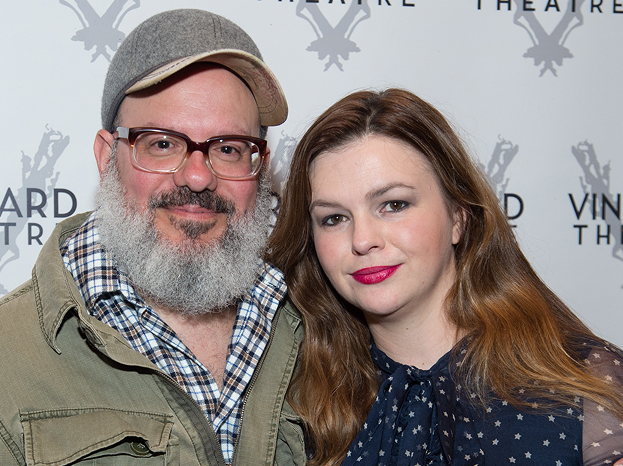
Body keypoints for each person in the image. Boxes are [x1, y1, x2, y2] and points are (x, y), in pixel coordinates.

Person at [0, 9, 307, 465]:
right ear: (108, 158)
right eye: (162, 143)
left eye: (228, 148)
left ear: (258, 165)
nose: (199, 176)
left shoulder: (323, 335)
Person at [267, 88, 623, 465]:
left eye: (393, 205)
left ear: (458, 217)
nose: (363, 240)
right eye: (334, 218)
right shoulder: (296, 406)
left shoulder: (583, 383)